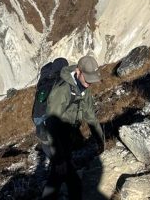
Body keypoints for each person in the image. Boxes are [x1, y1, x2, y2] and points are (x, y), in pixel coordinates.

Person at [41, 55, 105, 199]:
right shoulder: (62, 91)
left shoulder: (84, 90)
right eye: (87, 78)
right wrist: (59, 158)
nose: (89, 83)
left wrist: (101, 141)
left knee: (57, 177)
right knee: (72, 181)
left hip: (65, 139)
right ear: (78, 71)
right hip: (52, 139)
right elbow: (51, 124)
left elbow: (91, 117)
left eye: (92, 79)